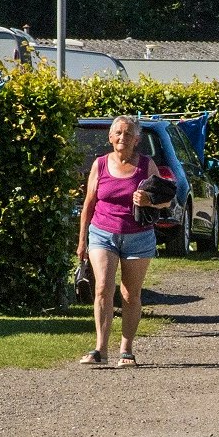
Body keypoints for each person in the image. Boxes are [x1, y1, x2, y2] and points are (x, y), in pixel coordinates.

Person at [74, 115, 159, 366]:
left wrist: (148, 200)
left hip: (138, 237)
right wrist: (82, 242)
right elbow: (89, 204)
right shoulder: (99, 165)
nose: (123, 138)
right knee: (102, 288)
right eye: (118, 133)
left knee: (130, 294)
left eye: (128, 134)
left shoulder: (146, 165)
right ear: (110, 137)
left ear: (137, 139)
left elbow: (165, 198)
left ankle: (126, 349)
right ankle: (100, 349)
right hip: (103, 233)